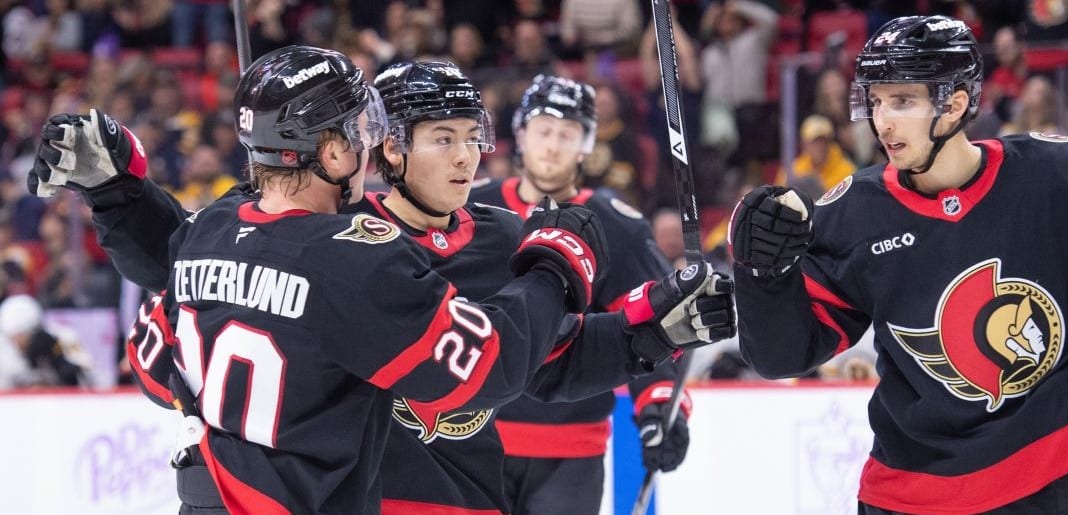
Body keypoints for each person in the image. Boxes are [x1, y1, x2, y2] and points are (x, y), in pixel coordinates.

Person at [32, 57, 735, 514]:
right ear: (375, 147)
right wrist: (558, 269)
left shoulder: (224, 226)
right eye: (439, 136)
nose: (464, 156)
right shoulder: (355, 253)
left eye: (471, 136)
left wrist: (652, 330)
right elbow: (488, 360)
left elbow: (171, 284)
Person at [728, 15, 1068, 515]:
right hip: (908, 493)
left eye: (902, 101)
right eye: (877, 101)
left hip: (1056, 474)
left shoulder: (1057, 177)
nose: (883, 121)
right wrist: (763, 275)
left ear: (956, 103)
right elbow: (782, 357)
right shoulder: (852, 212)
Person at [471, 74, 691, 514]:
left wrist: (662, 409)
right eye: (544, 131)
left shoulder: (615, 224)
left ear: (587, 143)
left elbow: (656, 322)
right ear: (521, 134)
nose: (552, 145)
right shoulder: (473, 210)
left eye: (567, 134)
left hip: (571, 452)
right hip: (471, 442)